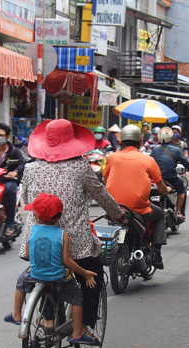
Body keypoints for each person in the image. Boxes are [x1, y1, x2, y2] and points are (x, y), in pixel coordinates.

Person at [22, 119, 124, 333]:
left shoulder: (30, 168)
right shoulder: (80, 167)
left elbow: (25, 198)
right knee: (92, 276)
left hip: (37, 239)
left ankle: (47, 318)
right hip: (74, 242)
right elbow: (102, 196)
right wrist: (118, 214)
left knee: (47, 270)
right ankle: (84, 326)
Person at [5, 193, 99, 345]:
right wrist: (85, 273)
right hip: (58, 277)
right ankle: (77, 333)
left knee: (21, 282)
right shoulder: (63, 235)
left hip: (35, 274)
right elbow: (67, 261)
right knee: (77, 299)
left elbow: (28, 254)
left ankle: (16, 314)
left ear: (36, 216)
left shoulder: (32, 231)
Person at [104, 124, 170, 269]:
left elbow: (106, 179)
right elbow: (160, 186)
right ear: (140, 142)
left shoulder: (112, 158)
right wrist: (167, 190)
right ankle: (157, 253)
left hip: (114, 209)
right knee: (159, 215)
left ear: (121, 142)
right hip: (138, 210)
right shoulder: (148, 160)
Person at [151, 126, 189, 221]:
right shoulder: (176, 150)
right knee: (182, 190)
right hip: (171, 179)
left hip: (156, 179)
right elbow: (185, 162)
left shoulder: (154, 150)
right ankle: (178, 212)